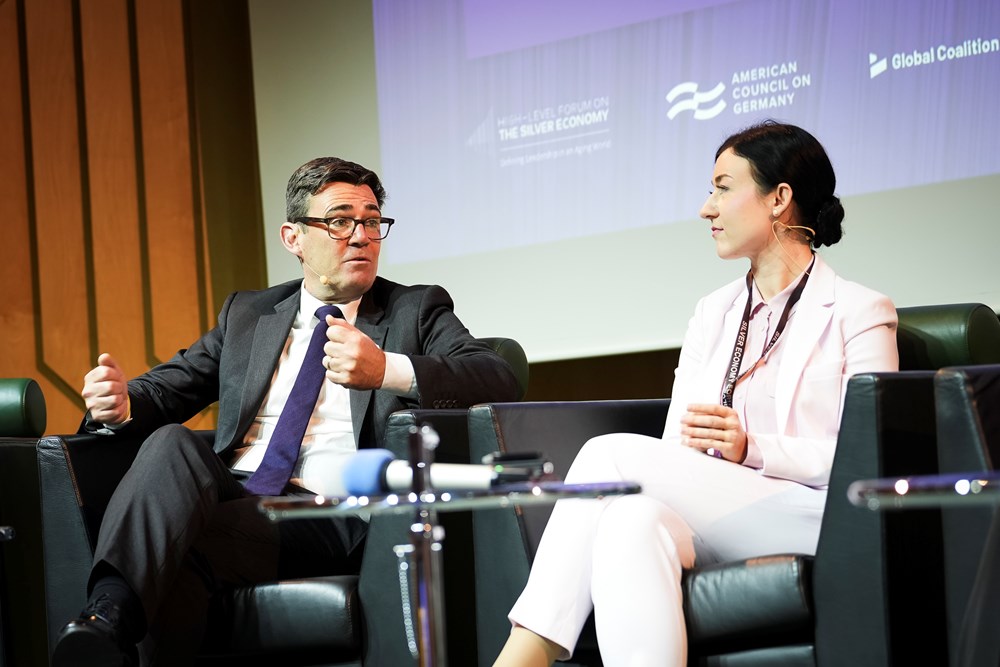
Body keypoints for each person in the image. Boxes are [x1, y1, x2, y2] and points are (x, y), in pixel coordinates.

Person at [52, 157, 520, 666]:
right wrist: (122, 405)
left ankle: (101, 627)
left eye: (371, 220)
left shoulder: (415, 309)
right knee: (172, 442)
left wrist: (386, 369)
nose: (362, 236)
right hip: (240, 492)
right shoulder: (250, 314)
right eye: (340, 220)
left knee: (177, 554)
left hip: (331, 509)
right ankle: (106, 617)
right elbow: (169, 389)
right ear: (293, 237)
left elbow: (498, 376)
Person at [492, 121, 899, 666]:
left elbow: (867, 458)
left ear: (779, 199)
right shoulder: (714, 312)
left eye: (723, 188)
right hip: (722, 512)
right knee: (625, 522)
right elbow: (671, 450)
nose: (707, 208)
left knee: (607, 455)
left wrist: (752, 448)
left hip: (818, 512)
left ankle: (526, 652)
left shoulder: (860, 310)